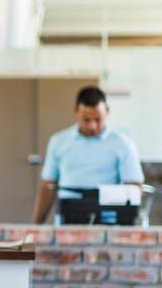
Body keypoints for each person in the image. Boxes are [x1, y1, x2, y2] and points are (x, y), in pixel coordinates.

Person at [31, 86, 144, 224]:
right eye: (86, 120)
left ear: (107, 112)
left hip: (107, 226)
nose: (92, 126)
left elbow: (134, 189)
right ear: (76, 111)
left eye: (98, 120)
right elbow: (48, 187)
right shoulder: (58, 142)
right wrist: (35, 228)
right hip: (67, 224)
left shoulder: (123, 144)